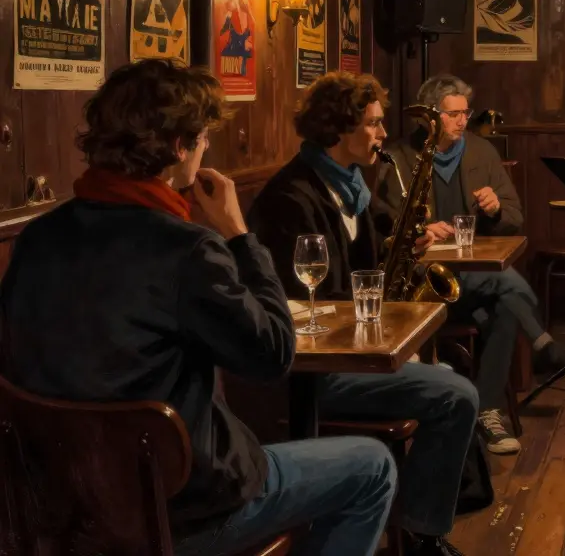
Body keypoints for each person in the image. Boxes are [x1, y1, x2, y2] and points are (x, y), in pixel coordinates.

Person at [0, 60, 395, 556]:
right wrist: (239, 234)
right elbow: (272, 354)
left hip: (59, 509)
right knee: (372, 466)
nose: (206, 146)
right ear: (179, 147)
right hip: (180, 514)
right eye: (204, 136)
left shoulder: (38, 237)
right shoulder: (186, 249)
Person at [246, 71, 482, 554]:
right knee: (457, 394)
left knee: (457, 382)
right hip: (315, 375)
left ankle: (417, 520)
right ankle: (421, 533)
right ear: (338, 129)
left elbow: (377, 250)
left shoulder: (352, 185)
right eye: (373, 124)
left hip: (357, 351)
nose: (380, 135)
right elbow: (304, 305)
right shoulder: (291, 198)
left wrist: (406, 242)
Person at [377, 74, 565, 379]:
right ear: (429, 117)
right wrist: (425, 227)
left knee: (505, 306)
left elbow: (514, 218)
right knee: (507, 289)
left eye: (465, 113)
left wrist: (495, 209)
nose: (462, 121)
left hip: (474, 271)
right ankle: (541, 344)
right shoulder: (398, 157)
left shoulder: (482, 151)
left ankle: (487, 409)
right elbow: (386, 223)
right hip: (425, 278)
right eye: (453, 114)